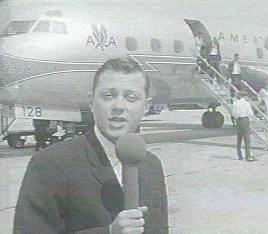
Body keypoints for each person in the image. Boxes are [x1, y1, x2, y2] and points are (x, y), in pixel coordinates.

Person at [14, 58, 168, 234]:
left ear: (145, 107)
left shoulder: (152, 165)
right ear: (91, 102)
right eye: (108, 95)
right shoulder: (50, 164)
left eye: (131, 97)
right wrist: (109, 232)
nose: (119, 106)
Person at [232, 90, 256, 162]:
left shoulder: (236, 103)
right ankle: (248, 156)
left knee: (239, 139)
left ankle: (239, 156)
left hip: (238, 121)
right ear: (245, 96)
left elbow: (234, 113)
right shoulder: (246, 104)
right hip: (245, 120)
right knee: (247, 139)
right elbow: (250, 113)